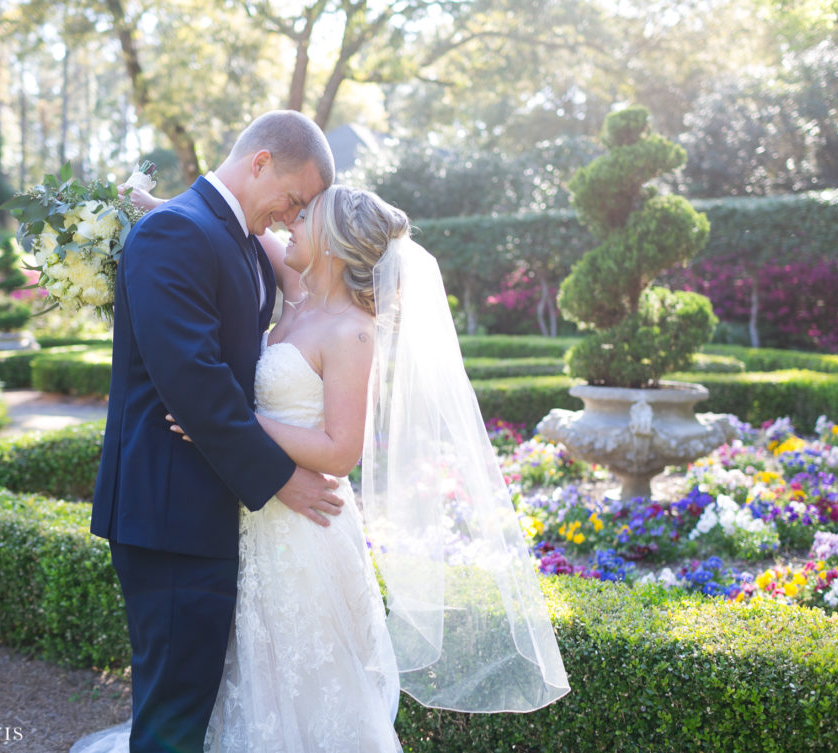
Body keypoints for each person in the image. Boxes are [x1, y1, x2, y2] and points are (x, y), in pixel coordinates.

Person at [76, 184, 570, 753]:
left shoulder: (353, 331)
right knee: (247, 674)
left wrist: (234, 421)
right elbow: (237, 228)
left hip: (307, 529)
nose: (290, 224)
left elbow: (340, 451)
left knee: (308, 677)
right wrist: (160, 208)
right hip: (254, 516)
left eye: (303, 218)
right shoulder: (297, 293)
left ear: (332, 244)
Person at [87, 110, 342, 753]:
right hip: (169, 508)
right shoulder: (179, 232)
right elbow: (194, 382)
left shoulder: (228, 231)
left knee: (197, 702)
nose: (292, 217)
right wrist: (282, 477)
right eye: (293, 199)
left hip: (204, 504)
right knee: (175, 709)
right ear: (259, 163)